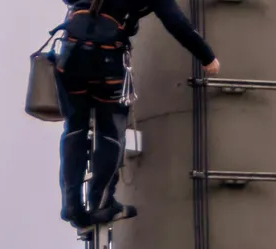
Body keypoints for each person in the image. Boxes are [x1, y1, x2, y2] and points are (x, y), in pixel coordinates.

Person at [54, 0, 224, 227]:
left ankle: (71, 204)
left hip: (70, 56)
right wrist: (207, 57)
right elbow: (176, 23)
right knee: (110, 131)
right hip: (106, 61)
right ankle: (101, 203)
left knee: (75, 128)